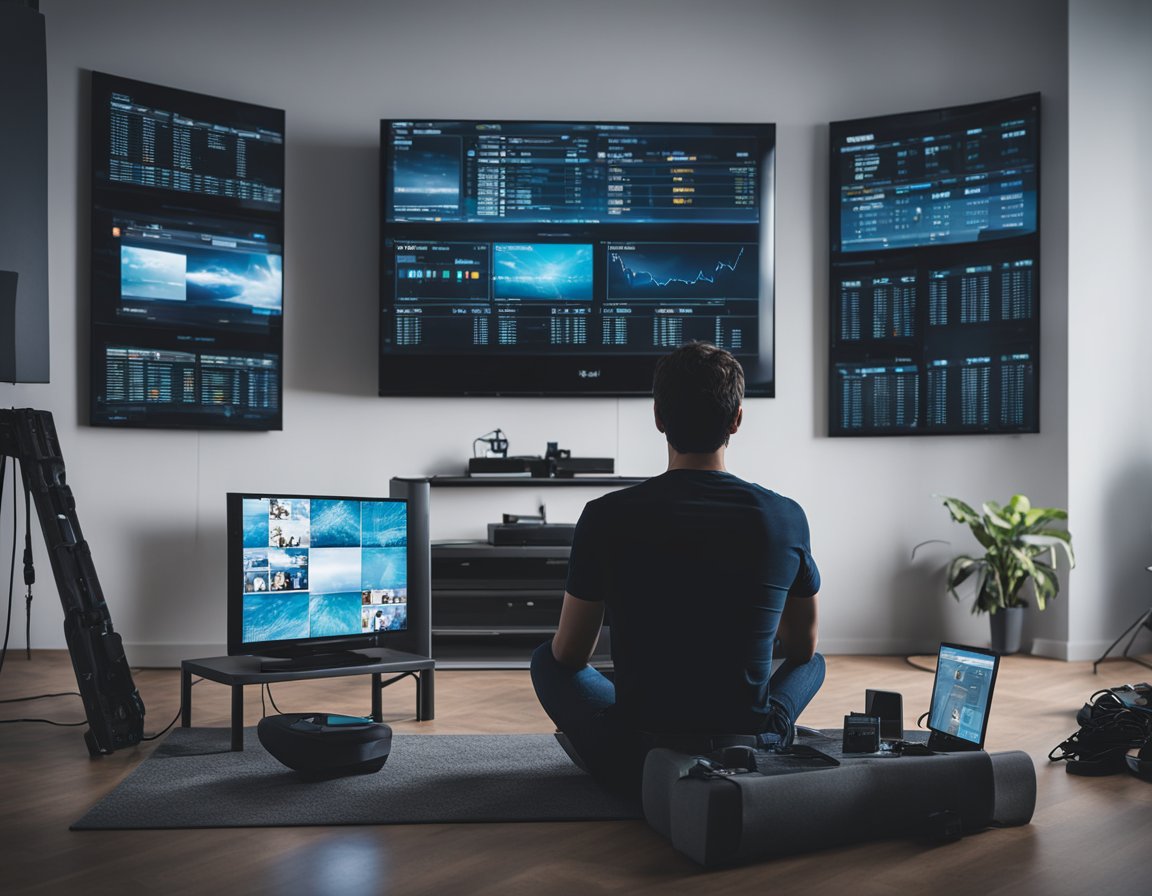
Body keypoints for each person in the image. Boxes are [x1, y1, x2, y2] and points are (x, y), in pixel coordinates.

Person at [530, 341, 825, 794]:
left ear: (658, 418)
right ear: (737, 419)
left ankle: (635, 755)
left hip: (640, 750)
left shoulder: (605, 516)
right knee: (814, 664)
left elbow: (570, 655)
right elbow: (802, 646)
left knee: (544, 661)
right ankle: (764, 741)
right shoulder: (787, 516)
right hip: (747, 746)